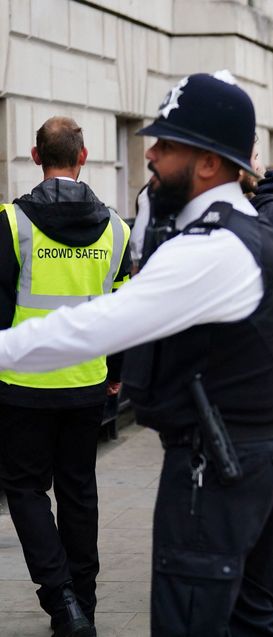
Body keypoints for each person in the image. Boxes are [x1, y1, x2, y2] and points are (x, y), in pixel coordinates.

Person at [0, 72, 273, 636]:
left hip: (216, 465)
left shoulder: (213, 246)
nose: (150, 155)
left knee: (193, 619)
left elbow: (97, 325)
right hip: (245, 455)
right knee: (253, 617)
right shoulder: (236, 228)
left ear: (207, 162)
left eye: (165, 145)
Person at [0, 116, 131, 637]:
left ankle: (62, 603)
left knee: (26, 490)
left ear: (36, 156)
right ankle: (86, 604)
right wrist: (117, 373)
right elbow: (125, 309)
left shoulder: (10, 224)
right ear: (84, 156)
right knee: (79, 489)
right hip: (86, 382)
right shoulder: (117, 228)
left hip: (22, 383)